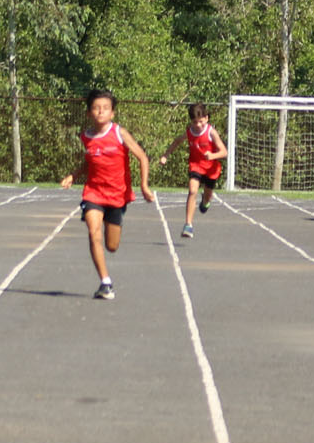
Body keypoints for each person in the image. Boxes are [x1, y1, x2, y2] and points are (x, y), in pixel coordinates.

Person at [60, 88, 156, 300]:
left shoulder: (119, 133)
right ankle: (105, 282)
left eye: (105, 108)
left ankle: (106, 267)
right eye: (95, 108)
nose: (100, 112)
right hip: (93, 193)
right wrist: (74, 176)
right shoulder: (86, 136)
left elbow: (142, 157)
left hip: (117, 195)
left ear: (112, 113)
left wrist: (144, 186)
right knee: (93, 233)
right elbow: (90, 161)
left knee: (111, 246)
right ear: (88, 113)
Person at [158, 102, 227, 238]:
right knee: (192, 190)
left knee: (208, 196)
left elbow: (224, 152)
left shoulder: (211, 133)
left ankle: (205, 201)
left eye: (201, 121)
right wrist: (166, 155)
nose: (198, 125)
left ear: (206, 118)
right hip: (196, 165)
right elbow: (177, 141)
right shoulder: (190, 132)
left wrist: (212, 155)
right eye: (195, 122)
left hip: (211, 168)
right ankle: (188, 225)